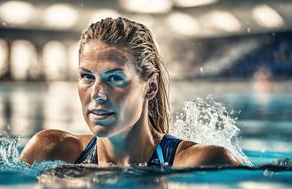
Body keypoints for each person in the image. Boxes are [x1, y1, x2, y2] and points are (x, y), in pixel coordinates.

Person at [20, 17, 240, 167]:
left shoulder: (199, 163)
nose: (97, 93)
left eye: (115, 78)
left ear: (151, 86)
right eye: (87, 77)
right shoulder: (49, 151)